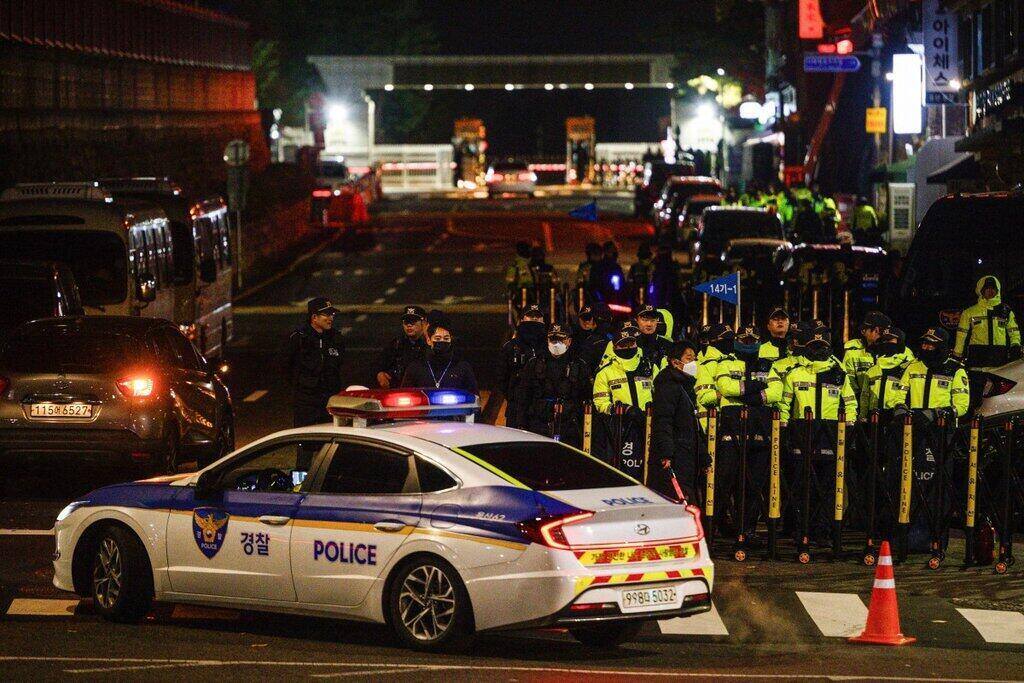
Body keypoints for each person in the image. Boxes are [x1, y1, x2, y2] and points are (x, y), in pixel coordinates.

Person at [886, 327, 969, 556]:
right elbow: (897, 394)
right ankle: (907, 538)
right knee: (907, 483)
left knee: (937, 486)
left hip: (941, 434)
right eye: (924, 343)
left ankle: (934, 540)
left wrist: (933, 414)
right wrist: (901, 411)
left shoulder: (956, 370)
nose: (926, 348)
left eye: (932, 344)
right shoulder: (913, 367)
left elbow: (961, 405)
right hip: (912, 431)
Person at [779, 326, 858, 548]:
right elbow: (785, 403)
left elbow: (851, 403)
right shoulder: (795, 373)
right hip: (801, 432)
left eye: (822, 346)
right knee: (802, 486)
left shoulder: (839, 374)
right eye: (813, 346)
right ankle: (801, 530)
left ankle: (823, 531)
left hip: (830, 434)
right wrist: (785, 429)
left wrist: (848, 428)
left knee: (828, 487)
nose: (817, 350)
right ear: (806, 347)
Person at [714, 325, 780, 546]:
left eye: (753, 339)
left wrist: (751, 398)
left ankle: (748, 528)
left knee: (755, 483)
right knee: (725, 480)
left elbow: (777, 391)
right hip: (731, 429)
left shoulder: (767, 365)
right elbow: (724, 386)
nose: (749, 342)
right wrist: (754, 388)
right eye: (744, 338)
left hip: (759, 429)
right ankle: (717, 527)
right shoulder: (725, 363)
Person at [592, 326, 659, 473]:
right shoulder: (605, 372)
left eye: (631, 343)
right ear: (615, 346)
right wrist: (622, 410)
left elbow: (660, 394)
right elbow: (600, 403)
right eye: (623, 344)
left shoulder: (649, 366)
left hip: (649, 425)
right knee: (625, 470)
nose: (628, 347)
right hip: (620, 427)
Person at [513, 324, 591, 446]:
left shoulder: (579, 365)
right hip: (539, 425)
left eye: (560, 339)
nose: (556, 343)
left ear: (569, 341)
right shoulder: (535, 364)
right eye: (552, 339)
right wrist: (521, 424)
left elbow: (586, 397)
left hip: (569, 426)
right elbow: (523, 396)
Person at [651, 341, 703, 500]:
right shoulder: (668, 386)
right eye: (689, 358)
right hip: (677, 454)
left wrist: (704, 456)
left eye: (695, 358)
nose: (694, 363)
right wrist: (666, 453)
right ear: (675, 362)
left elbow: (693, 425)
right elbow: (663, 420)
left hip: (687, 452)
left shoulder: (685, 386)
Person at [286, 297, 346, 427]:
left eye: (332, 314)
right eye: (327, 314)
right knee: (306, 438)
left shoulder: (336, 338)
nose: (331, 318)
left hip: (330, 399)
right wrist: (301, 385)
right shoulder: (299, 339)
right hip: (306, 401)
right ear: (314, 317)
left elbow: (340, 364)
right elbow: (286, 365)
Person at [954, 275, 1022, 369]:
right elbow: (961, 335)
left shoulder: (1006, 311)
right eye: (987, 288)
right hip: (977, 358)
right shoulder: (969, 312)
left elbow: (1014, 331)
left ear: (997, 290)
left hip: (999, 358)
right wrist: (957, 354)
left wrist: (1015, 345)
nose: (990, 291)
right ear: (981, 290)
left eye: (993, 288)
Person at [400, 315, 477, 394]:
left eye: (446, 338)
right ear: (429, 340)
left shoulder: (462, 367)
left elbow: (474, 396)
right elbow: (405, 394)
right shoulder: (415, 368)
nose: (442, 341)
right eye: (437, 338)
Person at [498, 305, 547, 428]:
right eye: (530, 316)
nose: (534, 319)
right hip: (517, 408)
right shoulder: (510, 348)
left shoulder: (549, 346)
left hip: (543, 409)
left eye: (538, 317)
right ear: (521, 320)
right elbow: (502, 378)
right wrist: (514, 395)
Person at [842, 310, 894, 400]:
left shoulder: (897, 352)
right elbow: (849, 384)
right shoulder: (853, 352)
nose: (880, 333)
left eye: (882, 330)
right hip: (861, 404)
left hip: (888, 406)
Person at [377, 305, 428, 389]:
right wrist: (380, 374)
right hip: (400, 392)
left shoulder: (432, 344)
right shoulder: (396, 344)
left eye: (413, 321)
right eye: (406, 322)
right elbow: (379, 364)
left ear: (424, 322)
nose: (409, 325)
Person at [628, 242, 655, 307]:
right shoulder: (635, 267)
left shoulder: (653, 267)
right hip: (637, 292)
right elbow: (630, 280)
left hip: (650, 293)